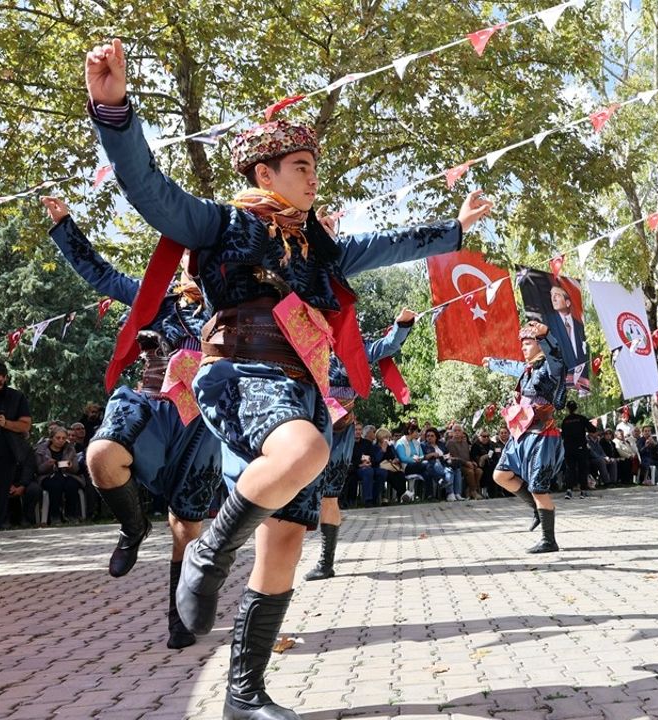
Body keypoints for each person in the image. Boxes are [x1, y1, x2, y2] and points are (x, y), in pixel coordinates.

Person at [83, 38, 493, 720]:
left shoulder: (318, 247)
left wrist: (454, 230)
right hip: (239, 372)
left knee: (284, 542)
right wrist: (113, 108)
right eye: (302, 166)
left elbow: (386, 245)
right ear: (264, 170)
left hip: (298, 387)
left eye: (313, 167)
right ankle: (210, 554)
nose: (313, 178)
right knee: (303, 451)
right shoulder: (220, 224)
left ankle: (244, 695)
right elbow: (146, 187)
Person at [43, 196, 219, 649]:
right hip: (150, 404)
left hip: (202, 424)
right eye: (190, 264)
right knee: (100, 456)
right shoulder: (158, 300)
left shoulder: (236, 306)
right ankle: (133, 527)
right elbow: (101, 274)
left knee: (186, 526)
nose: (197, 272)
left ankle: (178, 615)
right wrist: (65, 225)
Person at [303, 309, 415, 582]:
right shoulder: (301, 339)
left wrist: (402, 324)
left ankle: (325, 562)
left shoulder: (355, 348)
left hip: (338, 429)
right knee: (296, 490)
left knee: (329, 494)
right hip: (304, 425)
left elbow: (387, 346)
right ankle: (283, 555)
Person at [490, 322, 567, 552]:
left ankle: (548, 540)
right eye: (522, 343)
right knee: (501, 475)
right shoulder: (527, 371)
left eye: (528, 343)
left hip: (543, 435)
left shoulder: (551, 369)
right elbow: (513, 367)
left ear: (539, 345)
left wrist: (545, 335)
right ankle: (536, 510)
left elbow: (558, 359)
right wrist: (492, 363)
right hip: (521, 434)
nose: (523, 347)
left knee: (538, 488)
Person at [0, 361, 33, 533]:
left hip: (6, 453)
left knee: (0, 496)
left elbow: (25, 426)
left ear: (4, 378)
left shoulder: (15, 397)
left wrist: (6, 423)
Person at [35, 427, 86, 523]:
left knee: (72, 485)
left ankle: (71, 514)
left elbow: (76, 469)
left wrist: (70, 466)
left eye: (63, 438)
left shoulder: (70, 449)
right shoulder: (41, 450)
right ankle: (54, 515)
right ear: (51, 438)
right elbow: (38, 470)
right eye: (58, 438)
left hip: (67, 475)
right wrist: (47, 465)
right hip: (47, 476)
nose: (61, 440)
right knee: (55, 485)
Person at [559, 400, 594, 499]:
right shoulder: (581, 418)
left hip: (569, 448)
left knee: (570, 469)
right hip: (581, 447)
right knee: (583, 468)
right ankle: (583, 491)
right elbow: (592, 429)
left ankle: (569, 491)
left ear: (567, 409)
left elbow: (563, 435)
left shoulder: (565, 420)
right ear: (576, 407)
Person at [352, 425, 385, 507]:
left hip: (369, 465)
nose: (358, 432)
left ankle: (375, 498)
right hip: (356, 468)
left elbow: (373, 457)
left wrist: (370, 462)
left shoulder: (367, 443)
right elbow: (349, 459)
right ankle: (368, 500)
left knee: (382, 472)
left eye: (359, 429)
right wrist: (360, 464)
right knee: (368, 471)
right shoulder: (349, 443)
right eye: (356, 430)